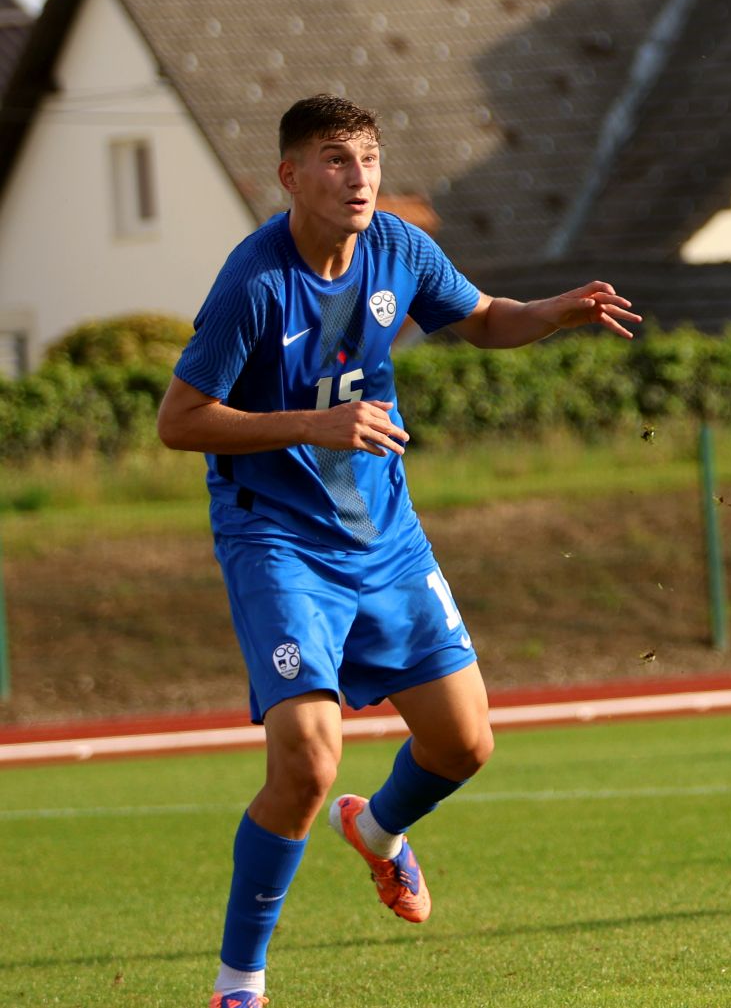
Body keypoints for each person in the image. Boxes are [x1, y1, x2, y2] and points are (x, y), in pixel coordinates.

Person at [157, 95, 641, 1008]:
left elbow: (482, 317)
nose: (360, 177)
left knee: (465, 742)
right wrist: (314, 424)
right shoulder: (254, 283)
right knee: (307, 758)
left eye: (370, 159)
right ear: (290, 175)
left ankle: (377, 830)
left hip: (383, 536)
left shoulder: (399, 248)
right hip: (278, 540)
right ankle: (239, 982)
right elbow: (179, 421)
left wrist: (553, 311)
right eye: (337, 159)